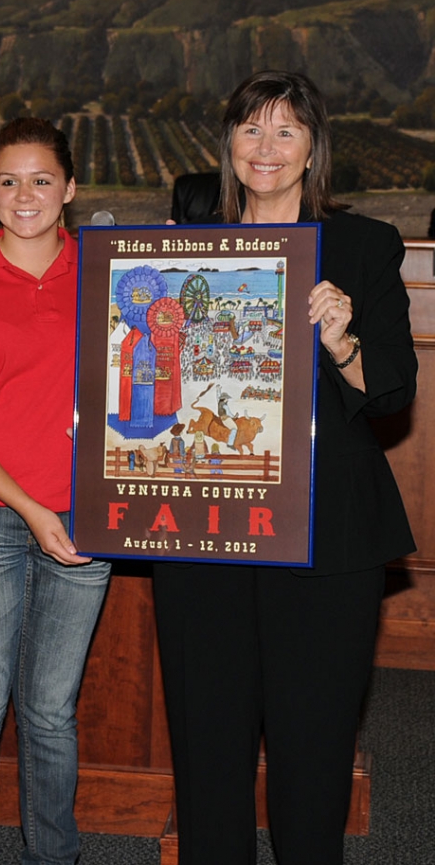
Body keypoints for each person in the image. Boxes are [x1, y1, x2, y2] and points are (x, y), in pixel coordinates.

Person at [153, 71, 416, 865]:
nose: (266, 148)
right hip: (202, 529)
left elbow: (392, 390)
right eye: (251, 129)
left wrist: (342, 342)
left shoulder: (363, 245)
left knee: (314, 745)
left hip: (326, 535)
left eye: (286, 131)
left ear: (312, 150)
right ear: (228, 145)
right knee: (208, 748)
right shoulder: (181, 248)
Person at [0, 117, 112, 865]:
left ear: (70, 189)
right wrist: (33, 509)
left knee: (48, 713)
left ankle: (56, 857)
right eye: (7, 180)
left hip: (90, 518)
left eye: (42, 179)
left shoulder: (113, 276)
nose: (23, 195)